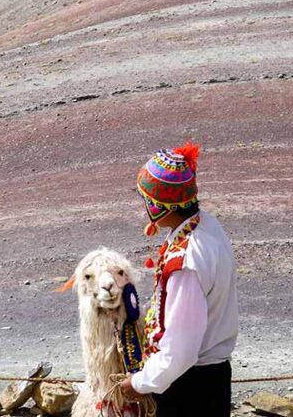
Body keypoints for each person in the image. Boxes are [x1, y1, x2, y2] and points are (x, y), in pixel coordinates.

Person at [114, 143, 239, 416]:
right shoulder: (207, 226)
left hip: (189, 387)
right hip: (210, 379)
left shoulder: (185, 262)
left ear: (160, 205)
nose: (144, 206)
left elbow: (180, 351)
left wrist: (140, 383)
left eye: (146, 199)